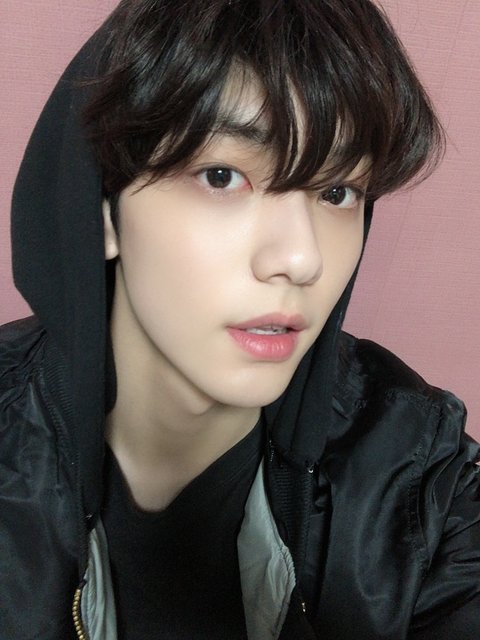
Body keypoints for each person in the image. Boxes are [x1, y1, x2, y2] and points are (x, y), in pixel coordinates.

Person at [1, 0, 479, 638]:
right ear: (104, 208)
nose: (302, 258)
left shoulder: (422, 479)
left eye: (337, 193)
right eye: (222, 176)